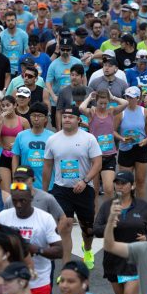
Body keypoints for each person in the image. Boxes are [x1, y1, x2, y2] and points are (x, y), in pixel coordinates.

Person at [93, 171, 147, 294]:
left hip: (134, 260)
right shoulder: (107, 207)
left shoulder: (144, 207)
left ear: (132, 186)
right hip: (112, 260)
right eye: (117, 182)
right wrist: (109, 224)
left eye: (123, 183)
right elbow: (96, 230)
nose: (119, 186)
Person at [43, 106, 101, 268]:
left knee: (88, 229)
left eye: (71, 117)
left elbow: (97, 163)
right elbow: (47, 167)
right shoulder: (53, 140)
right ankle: (66, 266)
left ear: (78, 120)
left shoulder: (89, 139)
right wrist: (45, 192)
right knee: (65, 225)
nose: (67, 119)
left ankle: (87, 249)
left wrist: (85, 180)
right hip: (61, 190)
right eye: (65, 116)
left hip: (84, 188)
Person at [0, 182, 62, 294]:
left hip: (38, 282)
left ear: (31, 199)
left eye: (23, 200)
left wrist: (35, 249)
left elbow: (59, 251)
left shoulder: (45, 218)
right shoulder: (3, 216)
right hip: (8, 281)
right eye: (15, 201)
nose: (19, 205)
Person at [80, 89, 128, 199]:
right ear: (96, 101)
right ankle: (96, 215)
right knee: (95, 191)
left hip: (109, 155)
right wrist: (89, 98)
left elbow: (125, 103)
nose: (103, 106)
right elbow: (81, 108)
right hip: (94, 157)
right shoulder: (92, 112)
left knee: (109, 188)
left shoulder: (111, 111)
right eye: (100, 103)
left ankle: (109, 214)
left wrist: (113, 97)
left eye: (105, 103)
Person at [114, 86, 147, 199]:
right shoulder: (121, 112)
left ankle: (140, 210)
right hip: (126, 148)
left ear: (138, 98)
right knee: (124, 183)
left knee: (140, 182)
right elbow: (112, 131)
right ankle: (125, 209)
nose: (129, 100)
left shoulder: (144, 111)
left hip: (141, 147)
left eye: (132, 97)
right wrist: (121, 138)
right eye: (127, 97)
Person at [11, 102, 54, 189]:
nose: (36, 118)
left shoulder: (52, 137)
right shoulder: (21, 136)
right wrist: (15, 176)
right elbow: (15, 157)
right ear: (30, 117)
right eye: (33, 115)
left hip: (48, 185)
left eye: (40, 116)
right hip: (25, 184)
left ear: (46, 118)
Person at [0, 95, 30, 190]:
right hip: (5, 155)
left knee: (19, 188)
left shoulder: (23, 121)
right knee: (6, 190)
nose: (5, 108)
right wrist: (0, 122)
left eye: (8, 105)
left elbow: (29, 141)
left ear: (15, 105)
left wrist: (17, 144)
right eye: (3, 106)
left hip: (19, 156)